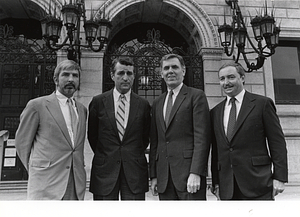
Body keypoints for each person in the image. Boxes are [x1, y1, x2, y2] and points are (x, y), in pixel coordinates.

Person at [210, 62, 288, 200]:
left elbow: (277, 143)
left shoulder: (262, 104)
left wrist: (279, 177)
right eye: (222, 79)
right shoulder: (215, 112)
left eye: (231, 77)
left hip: (258, 182)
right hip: (227, 186)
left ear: (243, 78)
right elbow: (217, 150)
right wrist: (216, 182)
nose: (226, 82)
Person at [15, 60, 87, 200]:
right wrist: (37, 170)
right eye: (66, 75)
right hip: (46, 184)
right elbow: (22, 143)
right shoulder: (37, 106)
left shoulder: (82, 110)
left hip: (75, 183)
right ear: (56, 79)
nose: (71, 79)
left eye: (75, 75)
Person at [88, 56, 151, 200]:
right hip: (105, 172)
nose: (125, 78)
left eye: (129, 74)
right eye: (121, 73)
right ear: (112, 75)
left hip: (134, 172)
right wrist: (108, 154)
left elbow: (145, 138)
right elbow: (93, 136)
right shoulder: (98, 102)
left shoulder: (143, 104)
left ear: (134, 76)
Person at [149, 53, 211, 200]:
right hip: (164, 177)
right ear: (161, 73)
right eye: (166, 68)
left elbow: (202, 138)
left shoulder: (196, 96)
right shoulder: (158, 102)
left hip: (189, 176)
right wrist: (154, 175)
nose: (170, 71)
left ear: (183, 71)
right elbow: (155, 142)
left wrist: (196, 172)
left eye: (175, 67)